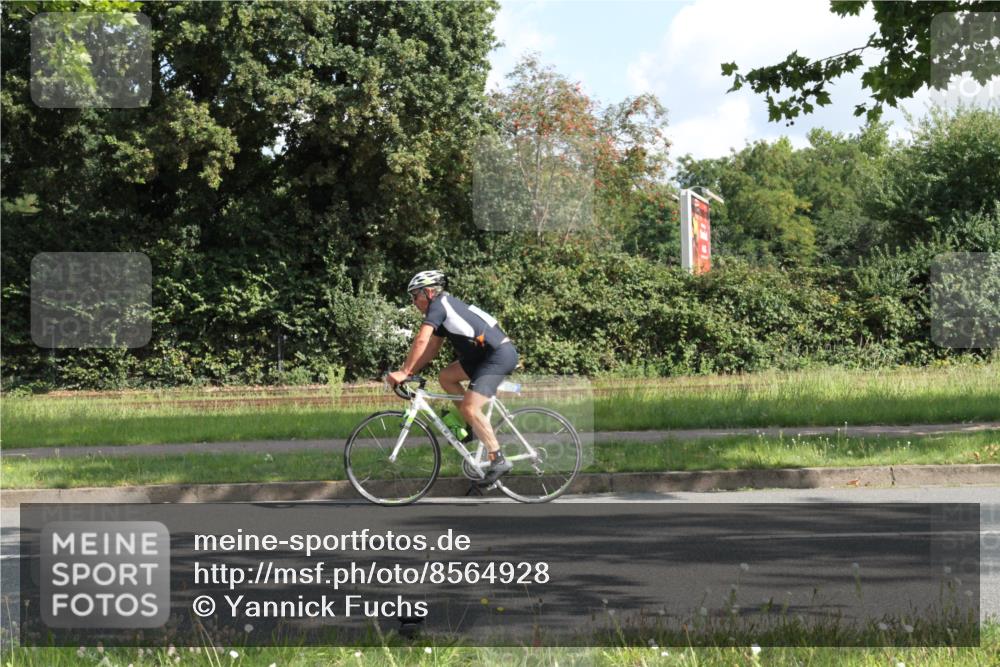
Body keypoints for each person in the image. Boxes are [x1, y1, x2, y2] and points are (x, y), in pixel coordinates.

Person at [388, 270, 519, 485]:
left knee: (470, 407)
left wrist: (403, 372)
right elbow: (431, 349)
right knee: (446, 377)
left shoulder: (439, 306)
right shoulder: (442, 307)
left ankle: (497, 459)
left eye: (415, 296)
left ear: (429, 292)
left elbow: (421, 341)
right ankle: (471, 428)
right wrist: (410, 371)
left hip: (497, 356)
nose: (413, 302)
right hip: (484, 355)